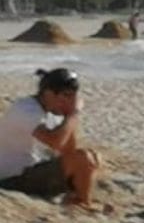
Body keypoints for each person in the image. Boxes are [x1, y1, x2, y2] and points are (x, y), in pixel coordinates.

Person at [0, 67, 102, 210]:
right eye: (66, 96)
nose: (69, 102)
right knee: (84, 158)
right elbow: (56, 142)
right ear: (48, 93)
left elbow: (68, 150)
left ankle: (76, 199)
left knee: (92, 157)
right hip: (14, 178)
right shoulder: (25, 109)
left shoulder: (52, 113)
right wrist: (73, 114)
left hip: (35, 172)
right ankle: (83, 204)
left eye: (73, 97)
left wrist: (69, 116)